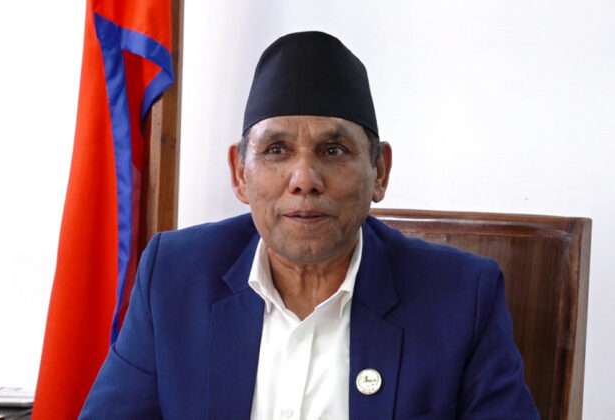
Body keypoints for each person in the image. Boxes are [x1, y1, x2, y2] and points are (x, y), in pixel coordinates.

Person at [80, 31, 539, 419]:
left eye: (333, 151)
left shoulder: (460, 297)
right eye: (276, 150)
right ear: (239, 173)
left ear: (380, 172)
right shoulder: (175, 277)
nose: (304, 179)